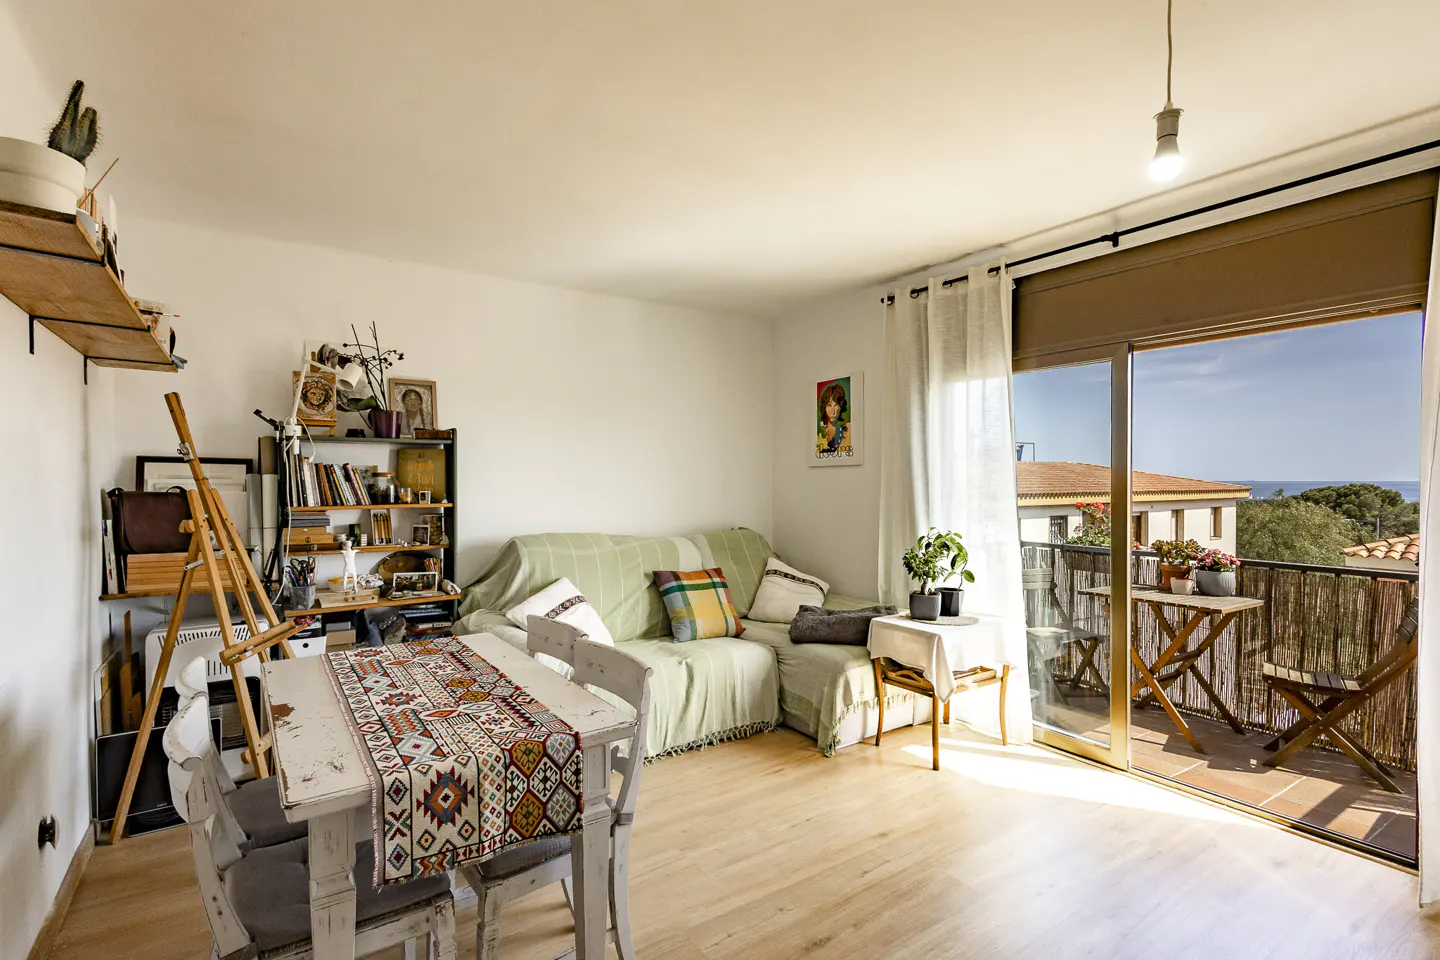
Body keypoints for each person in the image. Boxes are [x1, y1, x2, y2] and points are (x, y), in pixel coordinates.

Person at [816, 381, 850, 455]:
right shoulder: (819, 432)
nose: (833, 411)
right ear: (824, 407)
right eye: (829, 405)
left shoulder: (846, 428)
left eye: (836, 405)